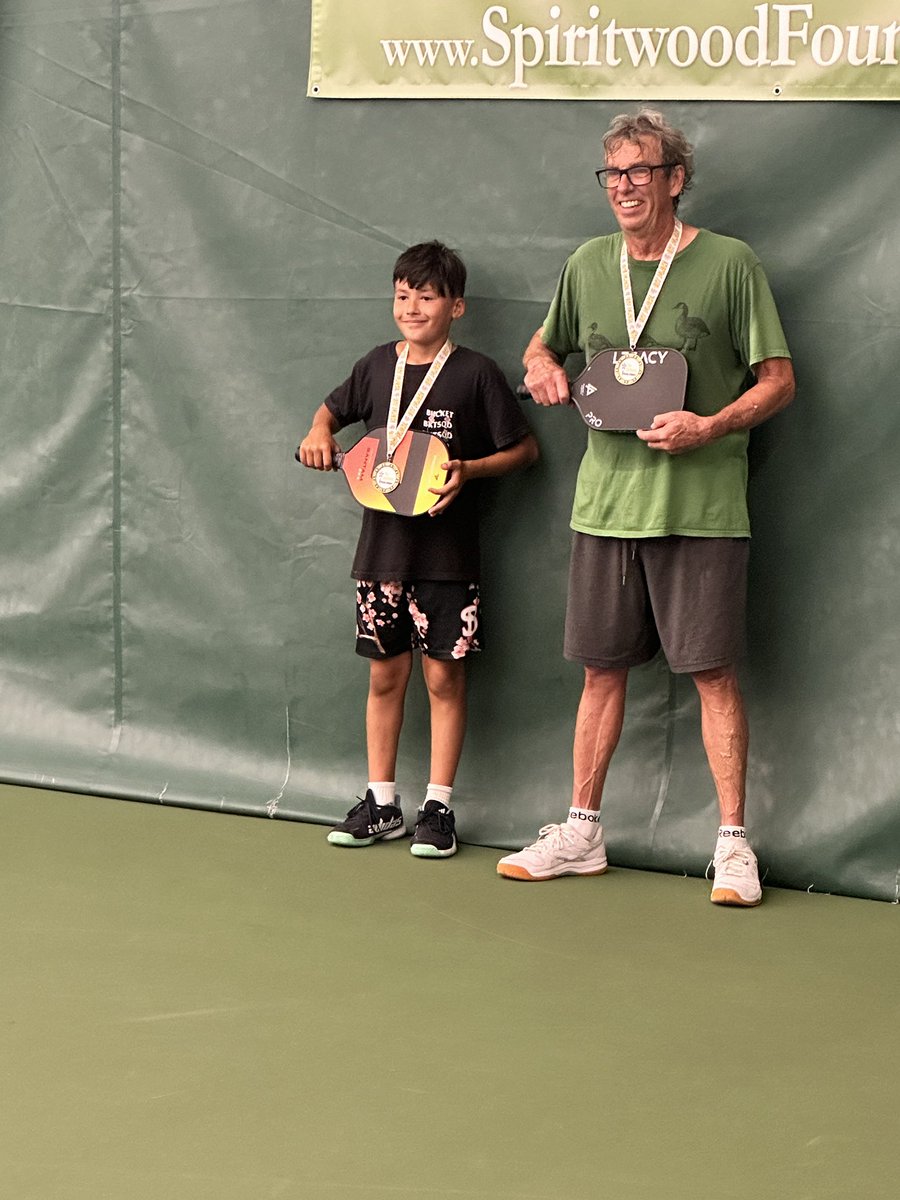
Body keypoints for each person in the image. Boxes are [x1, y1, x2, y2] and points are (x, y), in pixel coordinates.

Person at [497, 109, 794, 905]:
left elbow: (778, 380)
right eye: (613, 174)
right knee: (600, 674)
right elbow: (540, 348)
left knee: (714, 675)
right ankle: (582, 832)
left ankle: (733, 846)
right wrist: (543, 369)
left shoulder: (731, 264)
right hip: (605, 507)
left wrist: (711, 424)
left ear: (675, 179)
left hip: (702, 508)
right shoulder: (588, 263)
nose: (624, 186)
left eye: (640, 171)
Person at [298, 240, 538, 859]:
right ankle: (381, 804)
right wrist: (318, 433)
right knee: (385, 679)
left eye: (426, 297)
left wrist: (471, 470)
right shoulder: (378, 364)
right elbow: (327, 413)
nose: (411, 307)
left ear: (455, 306)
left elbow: (524, 450)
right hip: (380, 557)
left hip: (448, 559)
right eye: (402, 295)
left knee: (443, 678)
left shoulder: (476, 373)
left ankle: (438, 807)